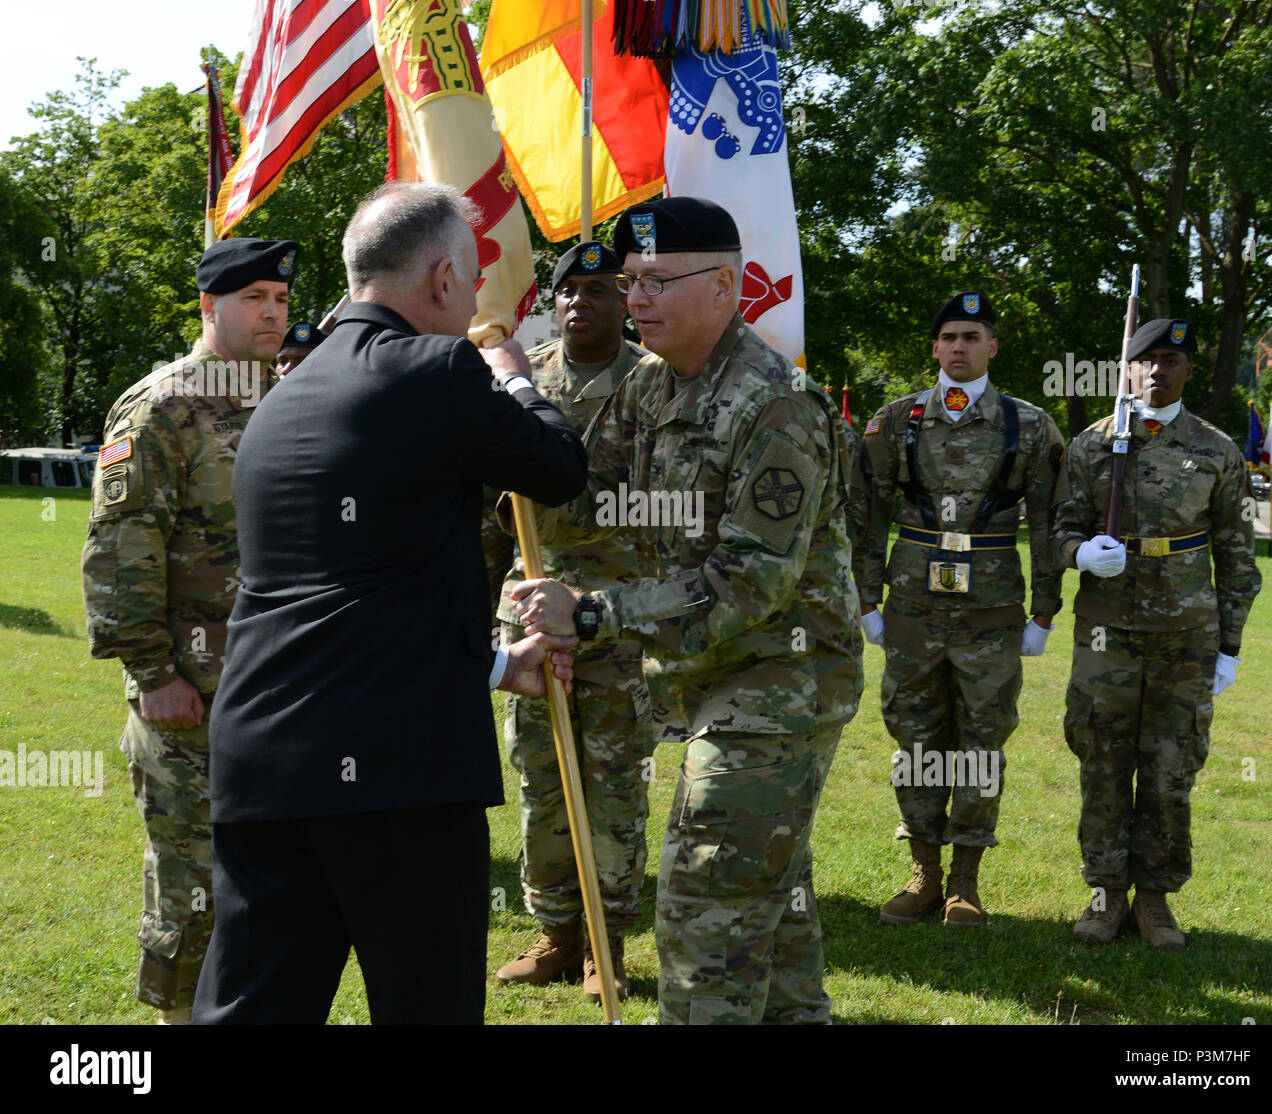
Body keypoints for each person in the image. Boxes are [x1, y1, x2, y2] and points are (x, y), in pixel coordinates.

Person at [191, 182, 587, 1025]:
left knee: (255, 1009)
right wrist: (513, 378)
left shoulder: (283, 393)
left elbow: (343, 592)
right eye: (476, 279)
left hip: (264, 756)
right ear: (443, 278)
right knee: (425, 1005)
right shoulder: (439, 369)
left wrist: (487, 665)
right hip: (396, 773)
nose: (479, 299)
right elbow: (558, 467)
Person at [511, 196, 863, 1025]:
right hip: (707, 678)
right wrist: (510, 413)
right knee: (773, 912)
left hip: (778, 682)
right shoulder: (653, 388)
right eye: (631, 282)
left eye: (658, 282)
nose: (636, 301)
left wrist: (592, 613)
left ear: (726, 286)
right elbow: (594, 497)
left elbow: (750, 583)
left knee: (704, 910)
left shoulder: (774, 404)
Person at [81, 236, 297, 1024]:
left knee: (264, 879)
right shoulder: (161, 406)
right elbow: (119, 550)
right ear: (210, 306)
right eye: (253, 300)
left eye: (280, 299)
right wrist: (152, 673)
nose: (271, 313)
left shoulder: (286, 394)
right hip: (190, 694)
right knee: (194, 879)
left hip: (272, 686)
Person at [1052, 317, 1261, 947]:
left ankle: (1156, 900)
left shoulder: (1217, 449)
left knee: (1172, 768)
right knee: (1102, 761)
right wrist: (1081, 552)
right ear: (1128, 369)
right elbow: (1055, 531)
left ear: (1188, 371)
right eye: (1147, 362)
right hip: (1106, 636)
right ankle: (1104, 893)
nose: (1158, 372)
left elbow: (1238, 555)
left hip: (1187, 635)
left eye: (1172, 361)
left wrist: (1230, 644)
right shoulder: (1091, 447)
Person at [858, 292, 1064, 928]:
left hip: (992, 608)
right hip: (913, 606)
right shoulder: (894, 421)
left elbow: (1054, 521)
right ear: (934, 347)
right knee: (916, 734)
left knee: (981, 739)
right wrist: (866, 599)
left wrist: (1045, 611)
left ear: (992, 347)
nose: (958, 347)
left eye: (972, 337)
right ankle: (921, 872)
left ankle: (965, 882)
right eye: (948, 336)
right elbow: (867, 514)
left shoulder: (1029, 426)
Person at [490, 241, 654, 1003]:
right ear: (551, 304)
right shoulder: (517, 384)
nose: (580, 302)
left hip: (616, 619)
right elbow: (486, 502)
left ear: (626, 301)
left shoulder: (655, 383)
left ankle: (605, 943)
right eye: (568, 292)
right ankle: (557, 932)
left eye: (598, 289)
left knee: (613, 783)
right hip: (529, 612)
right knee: (543, 777)